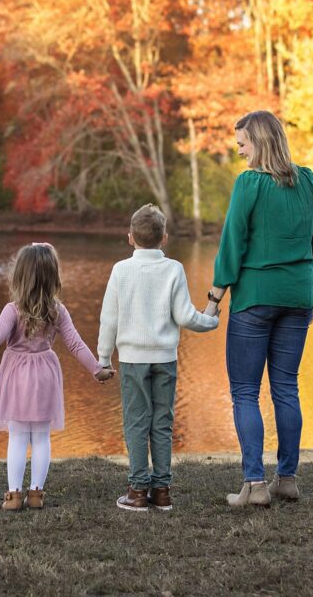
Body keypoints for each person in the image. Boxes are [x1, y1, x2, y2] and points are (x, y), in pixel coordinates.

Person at [204, 110, 313, 507]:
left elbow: (232, 245)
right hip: (296, 299)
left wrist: (213, 301)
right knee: (286, 388)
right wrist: (305, 296)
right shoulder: (308, 181)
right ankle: (287, 479)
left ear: (260, 141)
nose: (240, 152)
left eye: (243, 144)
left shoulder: (250, 184)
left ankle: (255, 485)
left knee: (244, 390)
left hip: (255, 300)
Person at [0, 243, 113, 511]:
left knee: (18, 437)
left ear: (19, 276)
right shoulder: (57, 310)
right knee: (41, 437)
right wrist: (97, 369)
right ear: (53, 277)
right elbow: (76, 345)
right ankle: (36, 494)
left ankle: (14, 495)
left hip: (17, 377)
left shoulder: (12, 309)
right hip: (45, 376)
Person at [97, 204, 220, 512]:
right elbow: (185, 316)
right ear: (165, 238)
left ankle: (138, 490)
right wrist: (212, 319)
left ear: (130, 238)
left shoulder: (120, 270)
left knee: (137, 423)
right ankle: (162, 490)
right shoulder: (174, 268)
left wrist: (103, 358)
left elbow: (108, 319)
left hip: (132, 360)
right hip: (165, 359)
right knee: (162, 423)